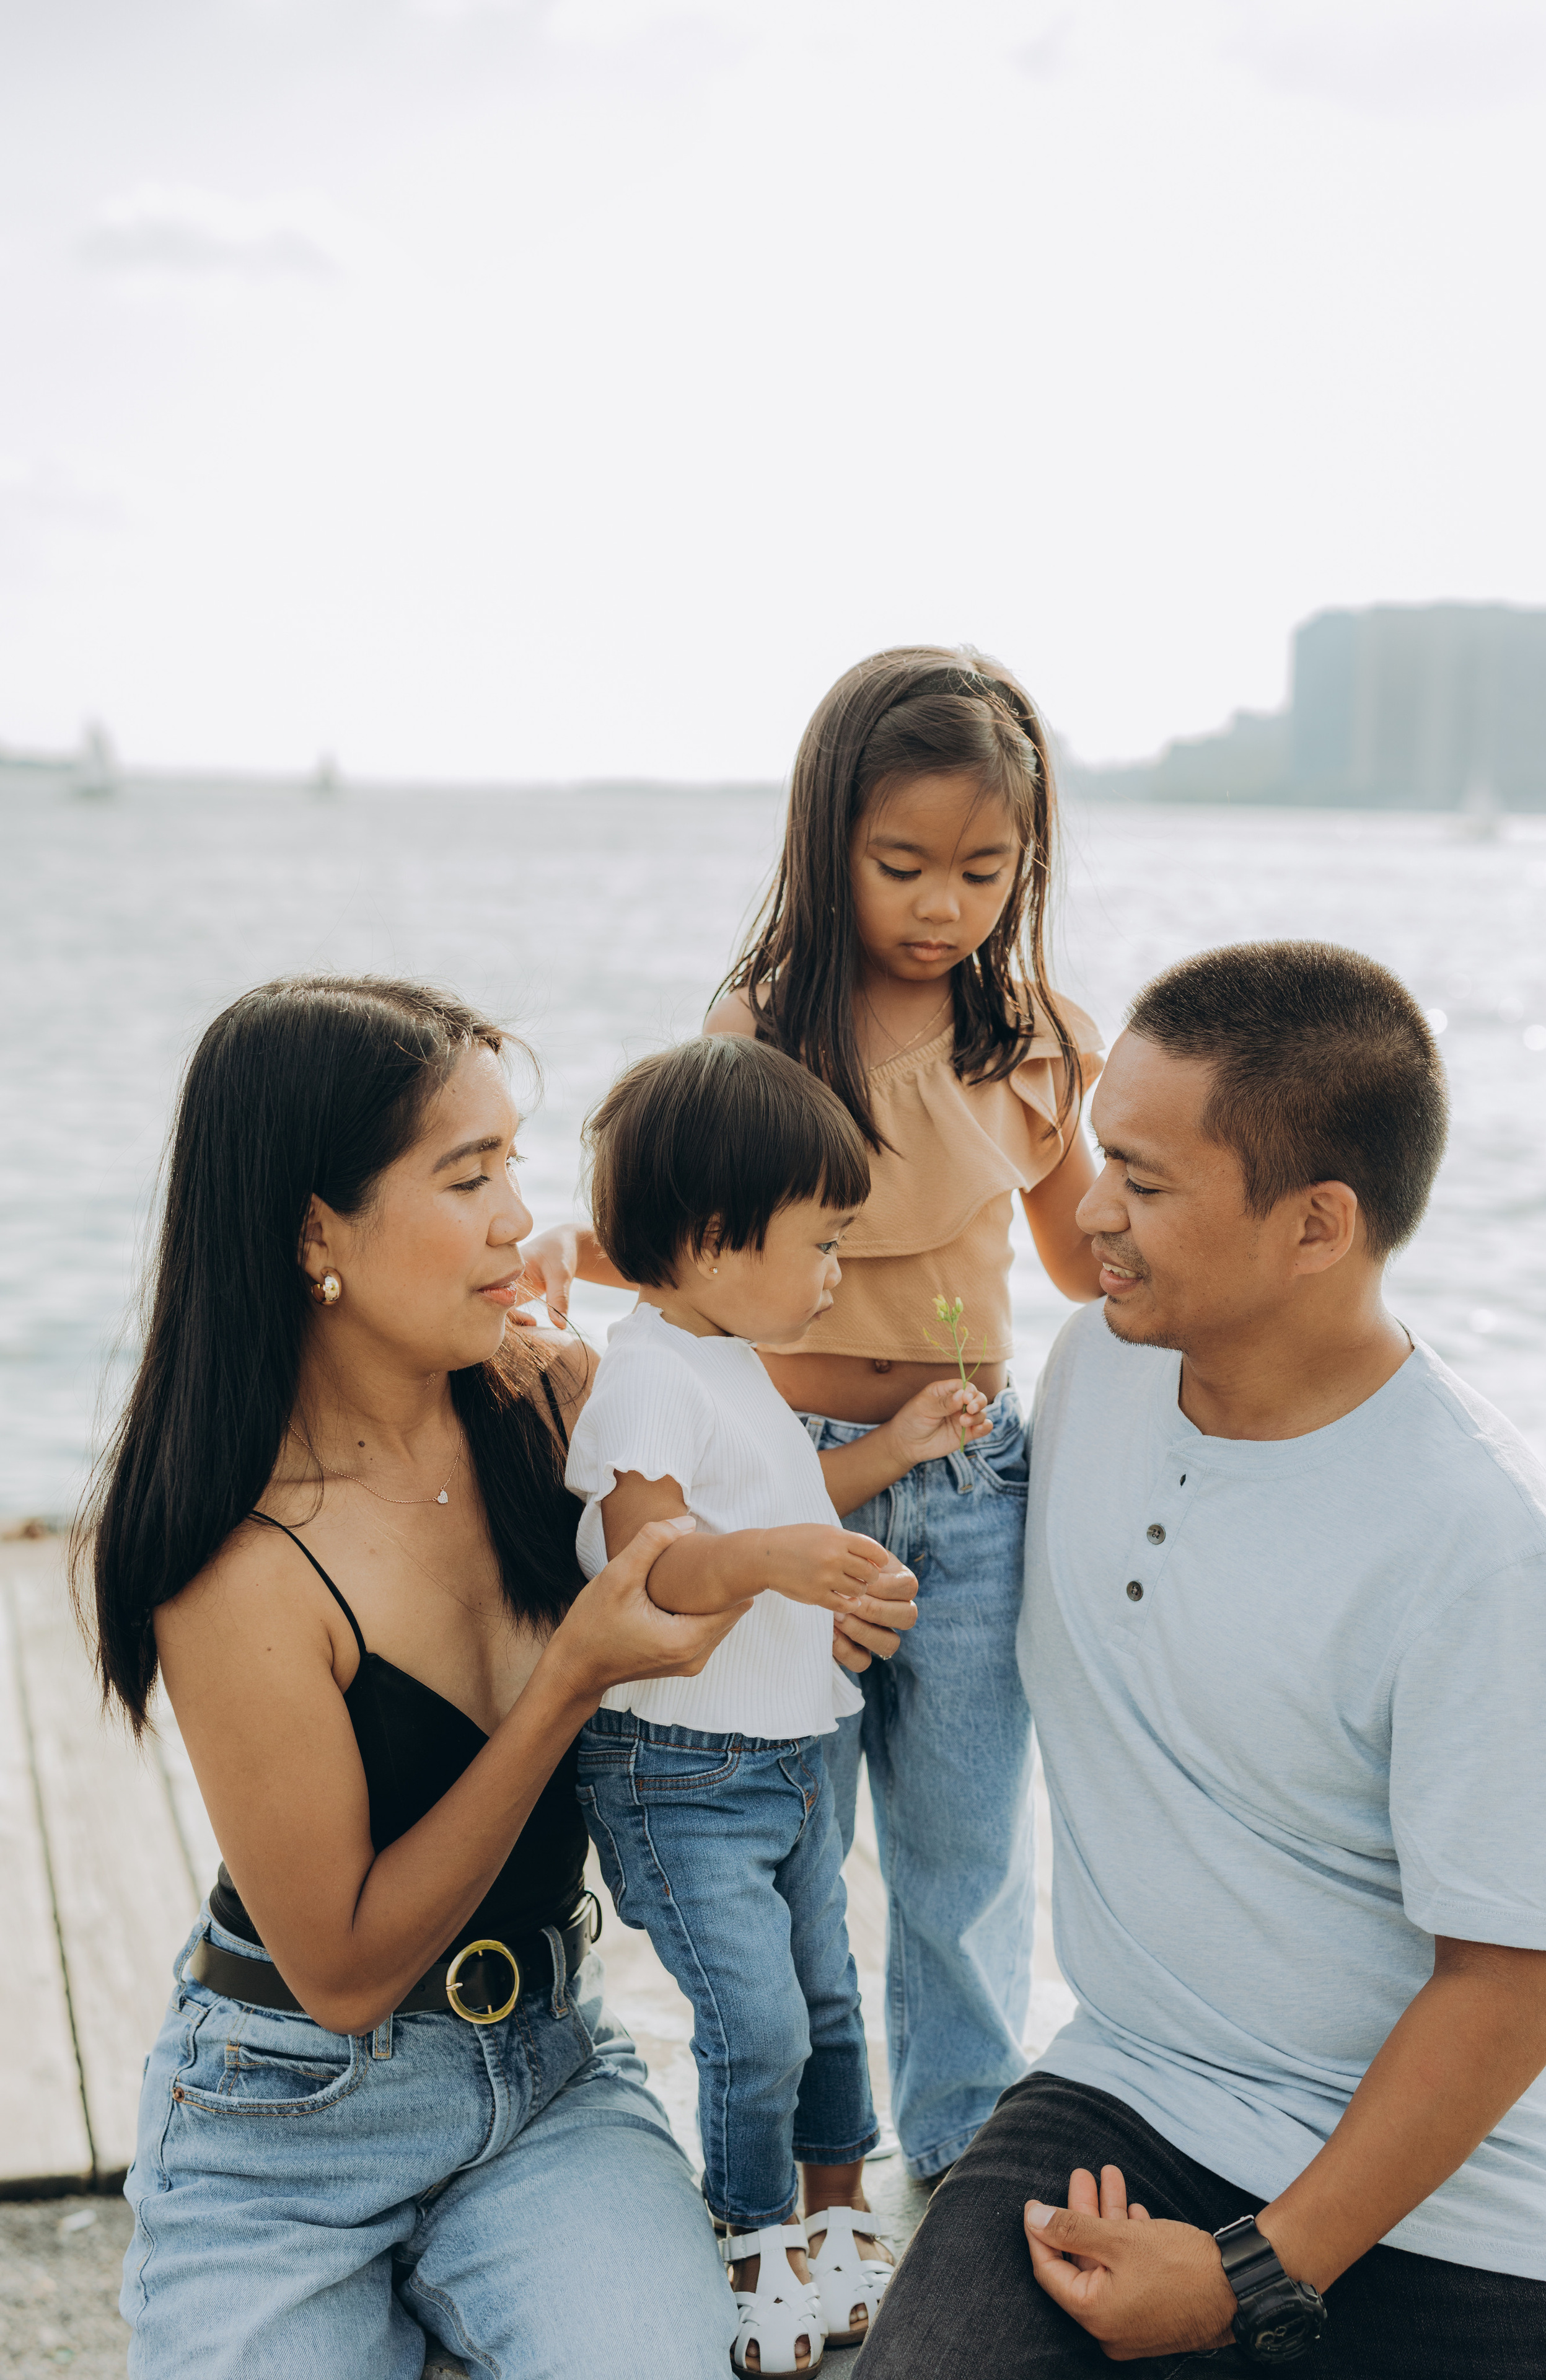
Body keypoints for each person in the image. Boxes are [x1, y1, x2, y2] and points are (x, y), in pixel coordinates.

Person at [860, 940, 1546, 2379]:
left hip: (1458, 2199)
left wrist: (1254, 2270)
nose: (1088, 1210)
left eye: (1141, 1181)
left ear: (1315, 1226)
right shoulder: (1092, 1368)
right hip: (1127, 2101)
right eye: (1097, 1158)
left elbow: (1508, 1982)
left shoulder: (1484, 1546)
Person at [79, 973, 817, 2380]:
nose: (514, 1218)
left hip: (545, 2075)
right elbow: (346, 1970)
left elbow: (766, 1315)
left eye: (514, 1167)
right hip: (287, 2123)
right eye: (468, 1176)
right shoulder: (236, 1561)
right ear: (316, 1230)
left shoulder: (557, 1404)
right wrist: (569, 1683)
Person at [522, 647, 1105, 2182]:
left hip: (968, 1486)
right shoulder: (768, 1024)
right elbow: (691, 1241)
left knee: (965, 1844)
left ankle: (962, 2144)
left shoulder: (1032, 1040)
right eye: (900, 864)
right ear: (827, 837)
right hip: (789, 1486)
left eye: (984, 870)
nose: (941, 905)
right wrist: (559, 1249)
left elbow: (1082, 1264)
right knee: (796, 1834)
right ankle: (803, 2160)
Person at [566, 1034, 992, 2374]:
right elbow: (653, 1564)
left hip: (790, 1755)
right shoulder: (647, 1374)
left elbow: (786, 1505)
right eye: (821, 1245)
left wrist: (894, 1452)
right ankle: (751, 2241)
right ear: (709, 1240)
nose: (834, 1276)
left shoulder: (728, 1359)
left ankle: (836, 2217)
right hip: (682, 1771)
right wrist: (774, 1565)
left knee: (825, 2002)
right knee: (754, 2025)